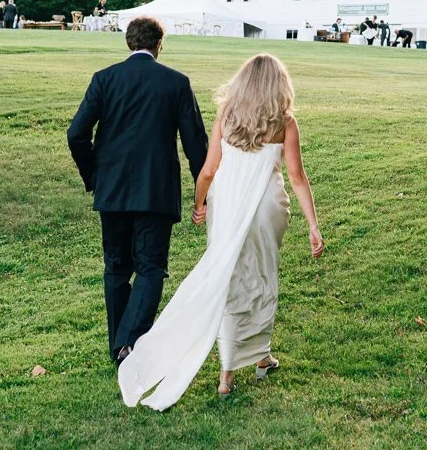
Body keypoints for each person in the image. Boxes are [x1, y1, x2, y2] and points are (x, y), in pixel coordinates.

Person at [119, 53, 325, 410]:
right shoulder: (285, 122)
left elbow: (209, 169)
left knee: (229, 278)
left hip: (227, 205)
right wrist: (312, 224)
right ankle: (260, 355)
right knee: (261, 275)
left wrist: (200, 203)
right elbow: (296, 177)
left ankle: (229, 373)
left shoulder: (228, 115)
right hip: (267, 208)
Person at [68, 17, 209, 367]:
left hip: (112, 189)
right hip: (156, 191)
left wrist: (95, 177)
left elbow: (76, 134)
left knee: (116, 267)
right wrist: (202, 194)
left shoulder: (105, 79)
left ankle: (120, 346)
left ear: (128, 43)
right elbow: (196, 146)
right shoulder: (176, 83)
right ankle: (128, 342)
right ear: (159, 44)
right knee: (150, 267)